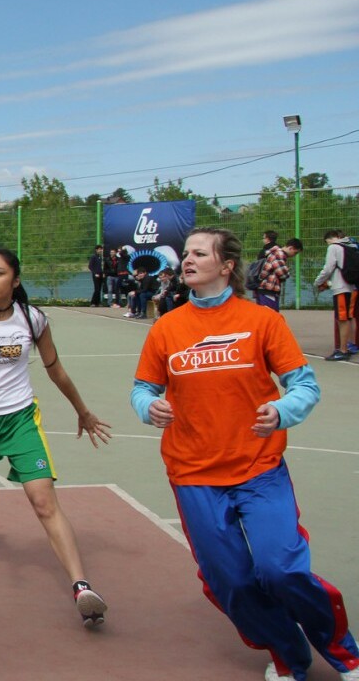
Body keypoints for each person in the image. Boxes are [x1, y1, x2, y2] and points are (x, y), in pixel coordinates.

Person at [130, 227, 359, 681]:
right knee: (229, 581)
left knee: (280, 570)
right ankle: (288, 654)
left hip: (259, 469)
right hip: (193, 474)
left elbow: (304, 385)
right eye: (187, 253)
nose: (188, 260)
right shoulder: (167, 327)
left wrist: (283, 410)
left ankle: (343, 653)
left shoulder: (261, 320)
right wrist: (147, 406)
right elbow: (143, 388)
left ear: (227, 265)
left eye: (200, 253)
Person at [0, 248, 112, 627]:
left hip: (21, 420)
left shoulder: (33, 319)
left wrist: (82, 411)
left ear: (15, 280)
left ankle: (82, 587)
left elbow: (56, 370)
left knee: (43, 502)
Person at [313, 229, 358, 361]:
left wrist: (318, 282)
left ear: (330, 239)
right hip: (350, 286)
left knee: (342, 319)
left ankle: (343, 350)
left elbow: (328, 268)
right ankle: (349, 346)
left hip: (340, 287)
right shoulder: (349, 246)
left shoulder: (334, 247)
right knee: (348, 317)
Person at [253, 237, 303, 312]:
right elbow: (282, 273)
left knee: (267, 314)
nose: (294, 255)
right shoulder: (279, 254)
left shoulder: (275, 252)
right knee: (270, 315)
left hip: (264, 288)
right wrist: (287, 272)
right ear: (290, 248)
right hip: (268, 289)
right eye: (295, 253)